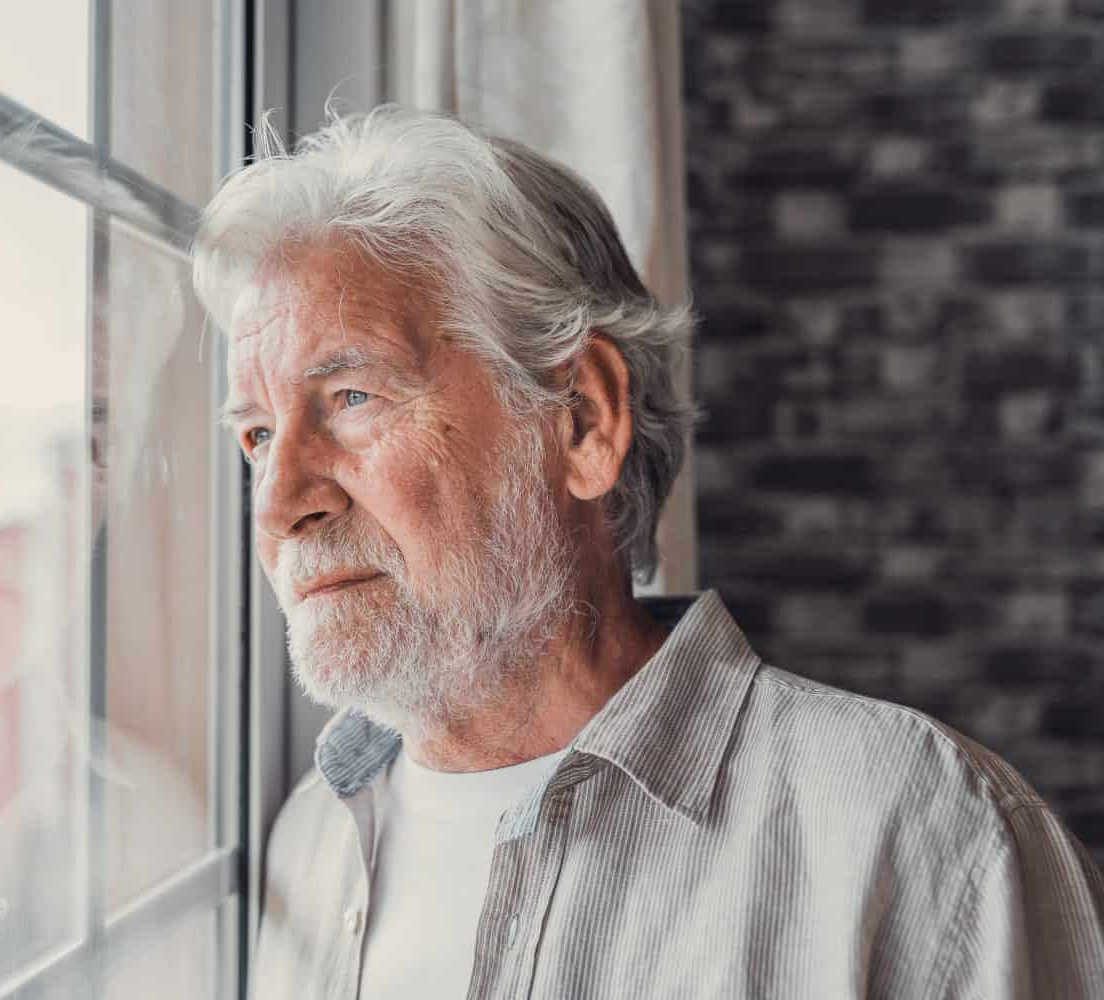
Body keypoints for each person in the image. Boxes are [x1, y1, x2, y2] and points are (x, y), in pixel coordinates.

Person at [192, 105, 1104, 998]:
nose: (279, 505)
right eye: (258, 437)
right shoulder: (307, 841)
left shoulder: (924, 835)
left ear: (583, 421)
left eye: (351, 396)